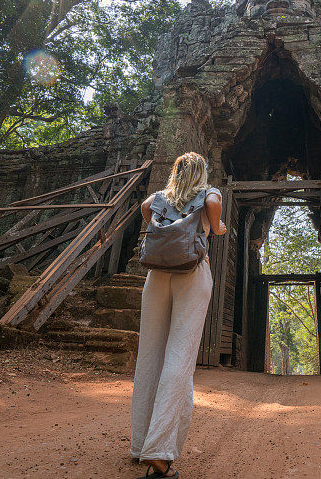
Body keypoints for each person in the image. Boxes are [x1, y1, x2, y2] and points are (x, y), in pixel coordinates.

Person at [130, 152, 227, 478]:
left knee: (149, 357)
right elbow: (214, 206)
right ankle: (157, 452)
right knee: (179, 358)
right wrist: (217, 226)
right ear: (201, 172)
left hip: (156, 276)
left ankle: (140, 443)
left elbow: (145, 209)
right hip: (192, 273)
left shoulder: (161, 197)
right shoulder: (209, 192)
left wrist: (165, 234)